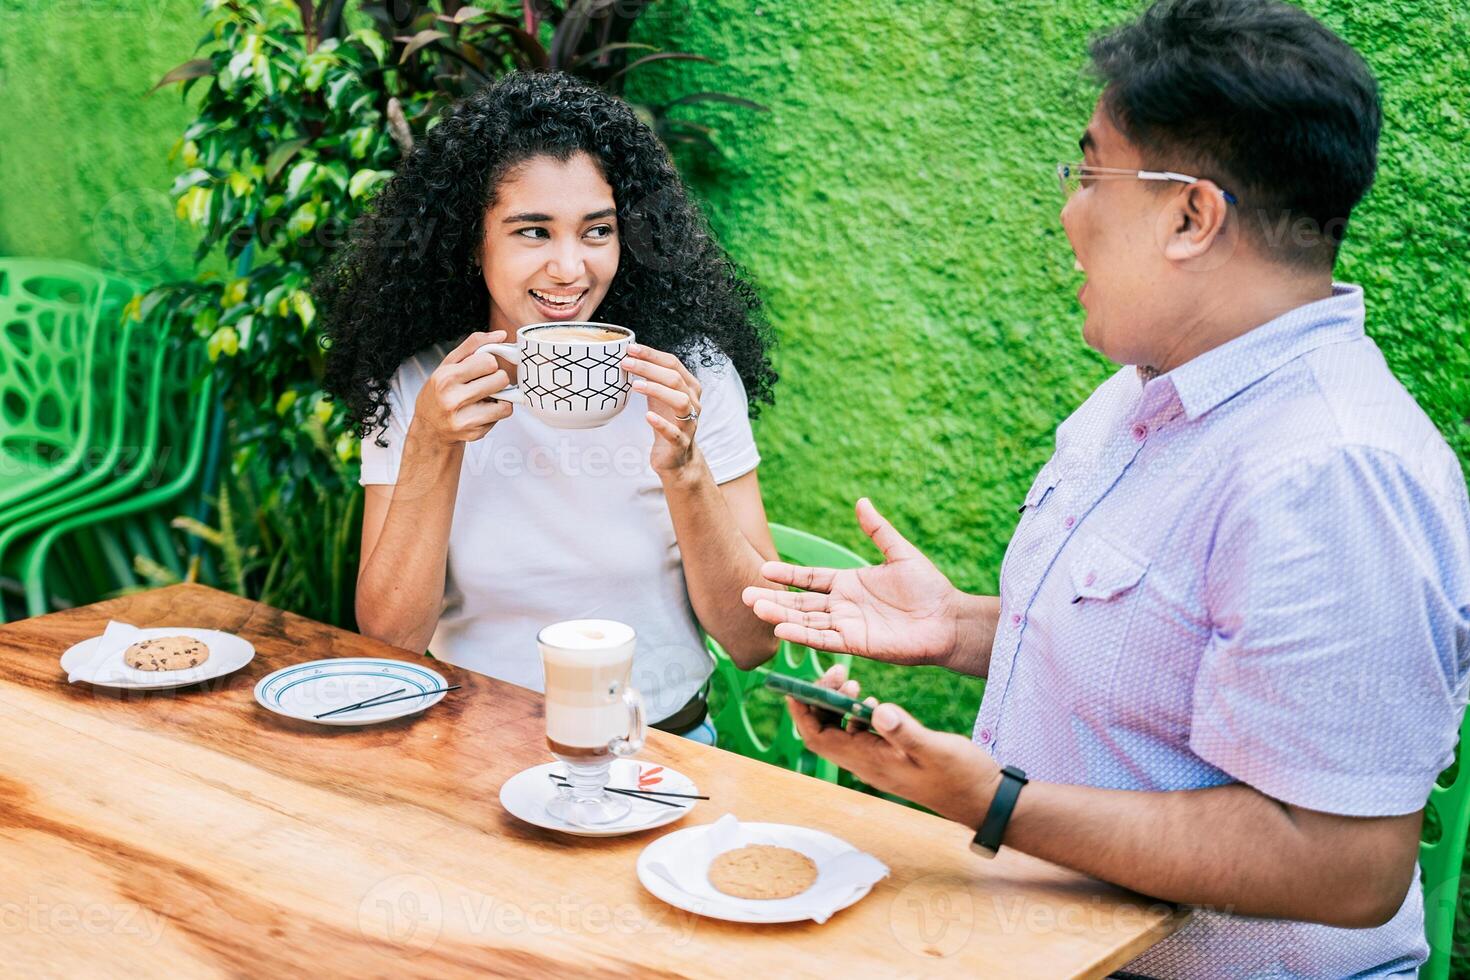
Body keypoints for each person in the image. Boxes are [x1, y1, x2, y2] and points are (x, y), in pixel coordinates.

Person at [742, 0, 1470, 974]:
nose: (1067, 211)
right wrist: (957, 625)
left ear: (1190, 213)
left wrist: (994, 799)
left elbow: (1346, 863)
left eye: (1089, 173)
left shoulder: (1333, 470)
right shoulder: (1145, 392)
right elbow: (1177, 666)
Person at [318, 72, 781, 742]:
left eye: (597, 231)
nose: (571, 268)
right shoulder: (425, 382)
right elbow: (391, 636)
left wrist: (685, 470)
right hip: (469, 748)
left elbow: (755, 640)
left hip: (661, 751)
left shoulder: (688, 376)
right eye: (533, 232)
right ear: (472, 240)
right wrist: (431, 444)